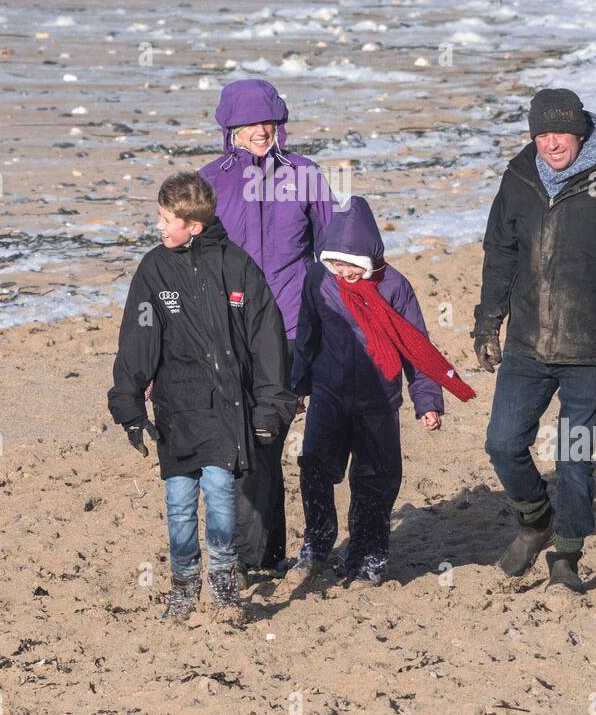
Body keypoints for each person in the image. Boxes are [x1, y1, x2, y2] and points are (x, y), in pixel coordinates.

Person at [473, 88, 596, 593]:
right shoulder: (517, 182)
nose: (551, 142)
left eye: (560, 131)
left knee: (573, 456)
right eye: (541, 132)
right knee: (501, 443)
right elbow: (499, 252)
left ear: (582, 133)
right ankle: (536, 519)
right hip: (527, 346)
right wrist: (487, 320)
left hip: (594, 353)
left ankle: (566, 555)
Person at [107, 172, 296, 623]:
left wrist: (271, 407)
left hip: (227, 411)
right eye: (159, 217)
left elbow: (267, 341)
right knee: (178, 502)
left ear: (194, 224)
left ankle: (225, 584)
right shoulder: (153, 268)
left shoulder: (237, 265)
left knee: (220, 495)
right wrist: (130, 407)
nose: (159, 227)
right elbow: (138, 340)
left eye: (166, 219)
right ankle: (183, 584)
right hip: (176, 411)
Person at [285, 196, 475, 590]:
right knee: (316, 469)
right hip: (329, 396)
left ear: (372, 259)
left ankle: (368, 558)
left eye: (352, 265)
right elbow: (307, 336)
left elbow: (417, 347)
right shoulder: (318, 280)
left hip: (379, 403)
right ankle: (316, 546)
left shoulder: (396, 287)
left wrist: (428, 402)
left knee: (376, 480)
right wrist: (298, 387)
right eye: (337, 263)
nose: (344, 272)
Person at [199, 78, 336, 576]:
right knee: (245, 441)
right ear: (229, 127)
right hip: (231, 330)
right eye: (250, 123)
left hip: (294, 327)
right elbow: (193, 261)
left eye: (269, 121)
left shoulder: (306, 175)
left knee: (266, 435)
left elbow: (333, 249)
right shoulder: (209, 180)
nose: (261, 130)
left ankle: (259, 554)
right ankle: (264, 553)